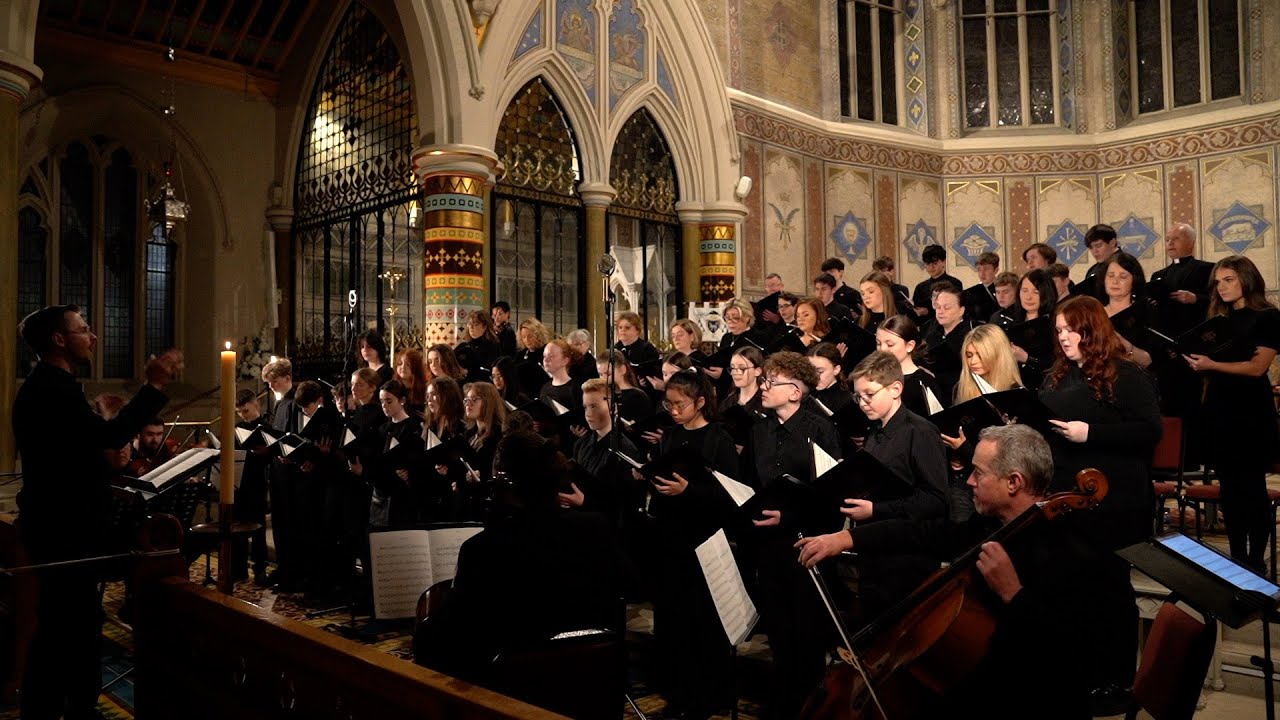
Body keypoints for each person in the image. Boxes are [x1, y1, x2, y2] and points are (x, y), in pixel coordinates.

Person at [795, 424, 1096, 720]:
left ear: (1014, 482)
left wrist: (1013, 594)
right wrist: (847, 538)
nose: (969, 482)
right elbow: (924, 534)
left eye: (979, 472)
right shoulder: (989, 527)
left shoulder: (1067, 549)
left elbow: (1068, 653)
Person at [13, 305, 181, 720]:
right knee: (67, 631)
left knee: (66, 628)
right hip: (64, 532)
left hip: (57, 527)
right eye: (84, 329)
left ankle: (60, 705)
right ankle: (71, 708)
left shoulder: (51, 385)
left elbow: (77, 453)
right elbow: (108, 435)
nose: (92, 337)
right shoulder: (53, 390)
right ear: (58, 339)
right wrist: (153, 385)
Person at [413, 430, 628, 687]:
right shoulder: (595, 527)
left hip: (517, 683)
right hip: (591, 676)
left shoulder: (486, 547)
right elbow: (629, 587)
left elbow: (455, 631)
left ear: (504, 484)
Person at [1040, 295, 1161, 700]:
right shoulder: (1057, 377)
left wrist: (1090, 433)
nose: (1064, 337)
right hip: (1068, 499)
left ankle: (1118, 679)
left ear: (1091, 329)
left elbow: (1149, 431)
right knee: (1073, 590)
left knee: (1109, 589)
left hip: (1116, 503)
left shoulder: (1126, 375)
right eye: (1059, 331)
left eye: (1071, 329)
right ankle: (1082, 672)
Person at [746, 351, 843, 719]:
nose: (764, 387)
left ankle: (809, 709)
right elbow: (753, 484)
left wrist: (788, 515)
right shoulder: (760, 429)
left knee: (807, 637)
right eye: (764, 380)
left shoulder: (821, 430)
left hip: (807, 544)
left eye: (772, 382)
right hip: (769, 547)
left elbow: (831, 495)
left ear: (796, 392)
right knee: (779, 633)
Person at [645, 371, 739, 719]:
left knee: (704, 623)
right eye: (668, 403)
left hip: (706, 540)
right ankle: (678, 693)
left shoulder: (719, 439)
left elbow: (733, 495)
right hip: (672, 539)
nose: (672, 410)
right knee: (673, 622)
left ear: (700, 402)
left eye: (679, 404)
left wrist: (690, 491)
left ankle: (708, 696)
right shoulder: (669, 437)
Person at [1185, 256, 1280, 571]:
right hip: (1220, 408)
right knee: (1230, 492)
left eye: (1228, 279)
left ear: (1246, 280)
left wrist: (1211, 364)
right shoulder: (1217, 320)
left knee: (1252, 490)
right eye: (1218, 281)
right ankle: (1239, 558)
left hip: (1252, 410)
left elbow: (1257, 368)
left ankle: (1256, 562)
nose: (1221, 286)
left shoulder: (1267, 317)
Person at [941, 325, 1024, 521]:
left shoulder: (1016, 395)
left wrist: (963, 449)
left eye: (980, 354)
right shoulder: (960, 390)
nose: (974, 361)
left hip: (1000, 487)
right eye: (969, 355)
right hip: (962, 482)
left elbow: (1009, 462)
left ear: (997, 355)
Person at [566, 378, 642, 529]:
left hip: (608, 529)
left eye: (594, 406)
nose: (588, 414)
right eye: (585, 407)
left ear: (613, 408)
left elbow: (623, 504)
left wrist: (585, 502)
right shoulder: (581, 444)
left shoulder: (626, 450)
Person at [261, 357, 300, 589]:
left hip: (290, 470)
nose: (271, 386)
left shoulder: (295, 402)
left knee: (290, 522)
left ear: (287, 378)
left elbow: (294, 434)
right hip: (278, 468)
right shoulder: (279, 404)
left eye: (274, 381)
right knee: (278, 520)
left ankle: (291, 570)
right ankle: (282, 567)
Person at [234, 389, 274, 584]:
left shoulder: (266, 428)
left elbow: (270, 455)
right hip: (239, 483)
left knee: (258, 528)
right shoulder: (238, 428)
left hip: (257, 482)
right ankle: (238, 568)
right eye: (240, 412)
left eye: (246, 410)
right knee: (238, 526)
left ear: (256, 405)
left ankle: (260, 569)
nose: (243, 415)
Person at [993, 269, 1058, 389]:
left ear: (1046, 293)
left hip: (1046, 389)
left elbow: (1056, 365)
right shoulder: (1011, 322)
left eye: (1035, 292)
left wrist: (1027, 359)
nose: (1028, 297)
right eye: (1024, 291)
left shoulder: (1056, 324)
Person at [876, 314, 945, 418]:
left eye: (890, 344)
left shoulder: (924, 382)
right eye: (878, 343)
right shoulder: (874, 376)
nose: (882, 349)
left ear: (909, 346)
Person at [1098, 251, 1159, 369]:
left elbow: (1151, 360)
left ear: (1134, 280)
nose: (1115, 281)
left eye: (1123, 276)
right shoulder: (1094, 313)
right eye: (1110, 275)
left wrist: (1124, 345)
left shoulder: (1147, 312)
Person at [921, 281, 976, 402]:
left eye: (947, 307)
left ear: (961, 310)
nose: (940, 311)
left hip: (961, 396)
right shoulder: (931, 333)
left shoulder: (971, 337)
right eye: (938, 307)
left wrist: (936, 377)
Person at [911, 244, 960, 321]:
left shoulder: (955, 284)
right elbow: (915, 316)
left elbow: (956, 310)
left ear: (943, 262)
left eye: (934, 263)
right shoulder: (920, 287)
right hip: (926, 329)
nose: (931, 267)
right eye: (927, 264)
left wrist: (928, 312)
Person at [456, 311, 501, 384]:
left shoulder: (492, 347)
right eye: (470, 324)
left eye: (476, 324)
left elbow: (490, 371)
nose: (471, 327)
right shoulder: (463, 346)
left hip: (483, 386)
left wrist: (467, 372)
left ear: (485, 327)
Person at [1079, 223, 1119, 297]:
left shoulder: (1126, 264)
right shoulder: (1093, 270)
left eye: (1098, 246)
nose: (1094, 251)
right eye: (1091, 248)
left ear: (1112, 243)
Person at [963, 251, 1000, 323]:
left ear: (996, 270)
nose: (982, 273)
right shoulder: (970, 293)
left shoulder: (1004, 288)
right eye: (979, 269)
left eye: (986, 269)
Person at [395, 348, 428, 417]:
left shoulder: (424, 389)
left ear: (416, 367)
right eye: (400, 364)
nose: (403, 367)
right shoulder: (392, 386)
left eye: (408, 364)